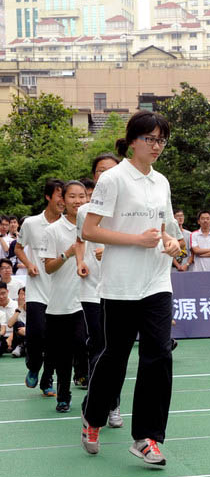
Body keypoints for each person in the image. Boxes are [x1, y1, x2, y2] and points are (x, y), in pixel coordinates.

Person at [79, 111, 181, 466]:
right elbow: (90, 229)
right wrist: (135, 240)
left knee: (159, 355)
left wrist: (171, 245)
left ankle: (146, 437)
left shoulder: (162, 182)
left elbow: (170, 232)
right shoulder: (113, 179)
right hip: (121, 283)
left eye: (161, 141)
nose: (157, 146)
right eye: (151, 139)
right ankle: (93, 417)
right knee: (116, 356)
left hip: (157, 280)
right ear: (133, 139)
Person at [75, 152, 123, 427]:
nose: (105, 176)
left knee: (114, 350)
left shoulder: (129, 206)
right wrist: (82, 260)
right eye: (100, 171)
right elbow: (81, 240)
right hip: (93, 289)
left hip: (120, 289)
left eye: (110, 170)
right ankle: (101, 406)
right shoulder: (84, 211)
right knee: (99, 347)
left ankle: (110, 404)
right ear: (94, 177)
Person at [42, 181, 89, 413]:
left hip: (87, 299)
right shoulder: (53, 230)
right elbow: (49, 267)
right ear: (63, 200)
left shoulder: (94, 227)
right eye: (72, 196)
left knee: (83, 342)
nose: (77, 201)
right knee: (62, 354)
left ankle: (84, 377)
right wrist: (67, 254)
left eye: (82, 196)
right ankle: (63, 395)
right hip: (60, 304)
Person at [15, 179, 64, 397]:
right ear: (48, 196)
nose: (63, 201)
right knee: (36, 334)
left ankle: (47, 379)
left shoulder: (69, 225)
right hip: (36, 289)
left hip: (61, 291)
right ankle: (34, 365)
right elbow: (18, 248)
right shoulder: (31, 223)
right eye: (60, 196)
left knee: (55, 339)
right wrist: (29, 264)